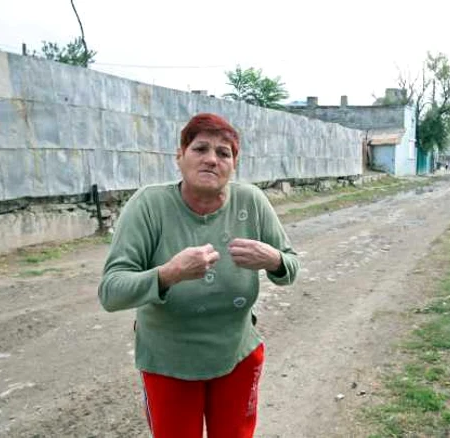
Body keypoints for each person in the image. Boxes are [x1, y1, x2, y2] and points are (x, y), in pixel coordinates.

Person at [98, 113, 299, 438]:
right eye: (200, 148)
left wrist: (274, 259)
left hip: (237, 354)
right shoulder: (149, 206)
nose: (211, 159)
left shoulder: (252, 201)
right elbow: (111, 292)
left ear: (234, 163)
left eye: (223, 153)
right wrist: (168, 274)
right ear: (179, 156)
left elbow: (290, 267)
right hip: (168, 362)